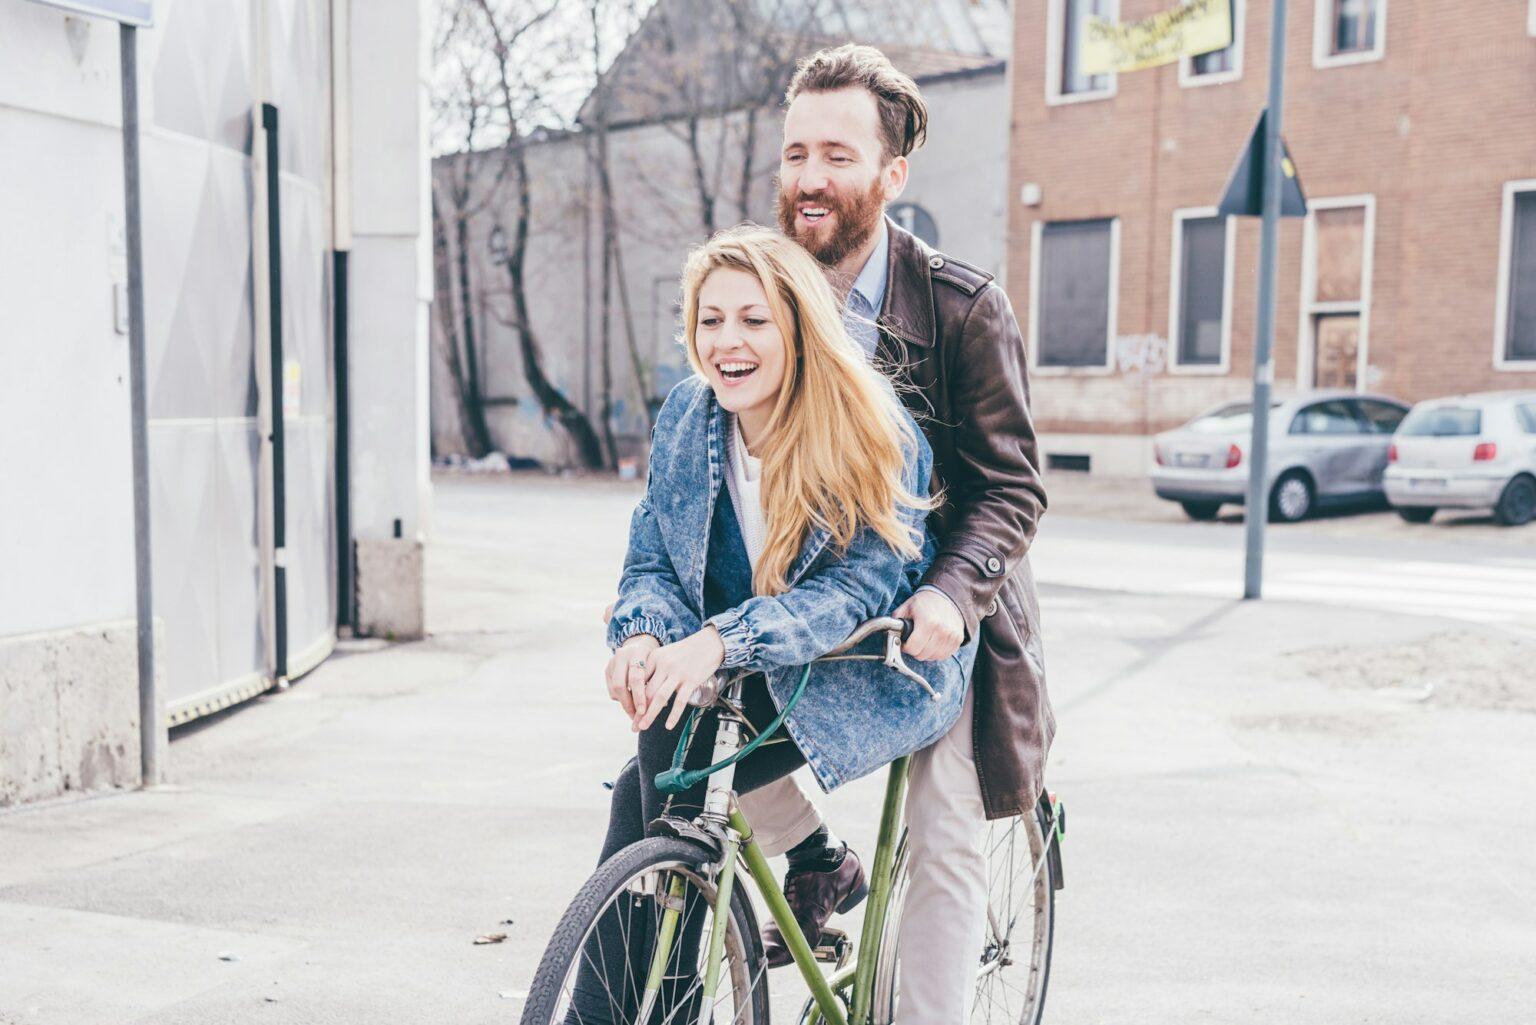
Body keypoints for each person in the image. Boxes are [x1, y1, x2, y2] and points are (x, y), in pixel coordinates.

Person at [570, 225, 978, 1023]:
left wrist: (723, 641)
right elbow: (653, 551)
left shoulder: (869, 422)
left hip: (863, 663)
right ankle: (792, 877)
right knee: (663, 765)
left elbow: (863, 586)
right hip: (744, 655)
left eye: (753, 320)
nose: (728, 341)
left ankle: (652, 1004)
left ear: (797, 323)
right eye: (710, 319)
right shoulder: (691, 414)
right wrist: (644, 635)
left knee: (655, 775)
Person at [734, 44, 1054, 1024]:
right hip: (814, 594)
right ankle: (818, 859)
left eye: (837, 154)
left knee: (946, 820)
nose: (810, 178)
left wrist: (953, 598)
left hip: (941, 618)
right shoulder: (763, 301)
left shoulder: (962, 308)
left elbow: (1012, 487)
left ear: (891, 174)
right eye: (796, 154)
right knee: (690, 740)